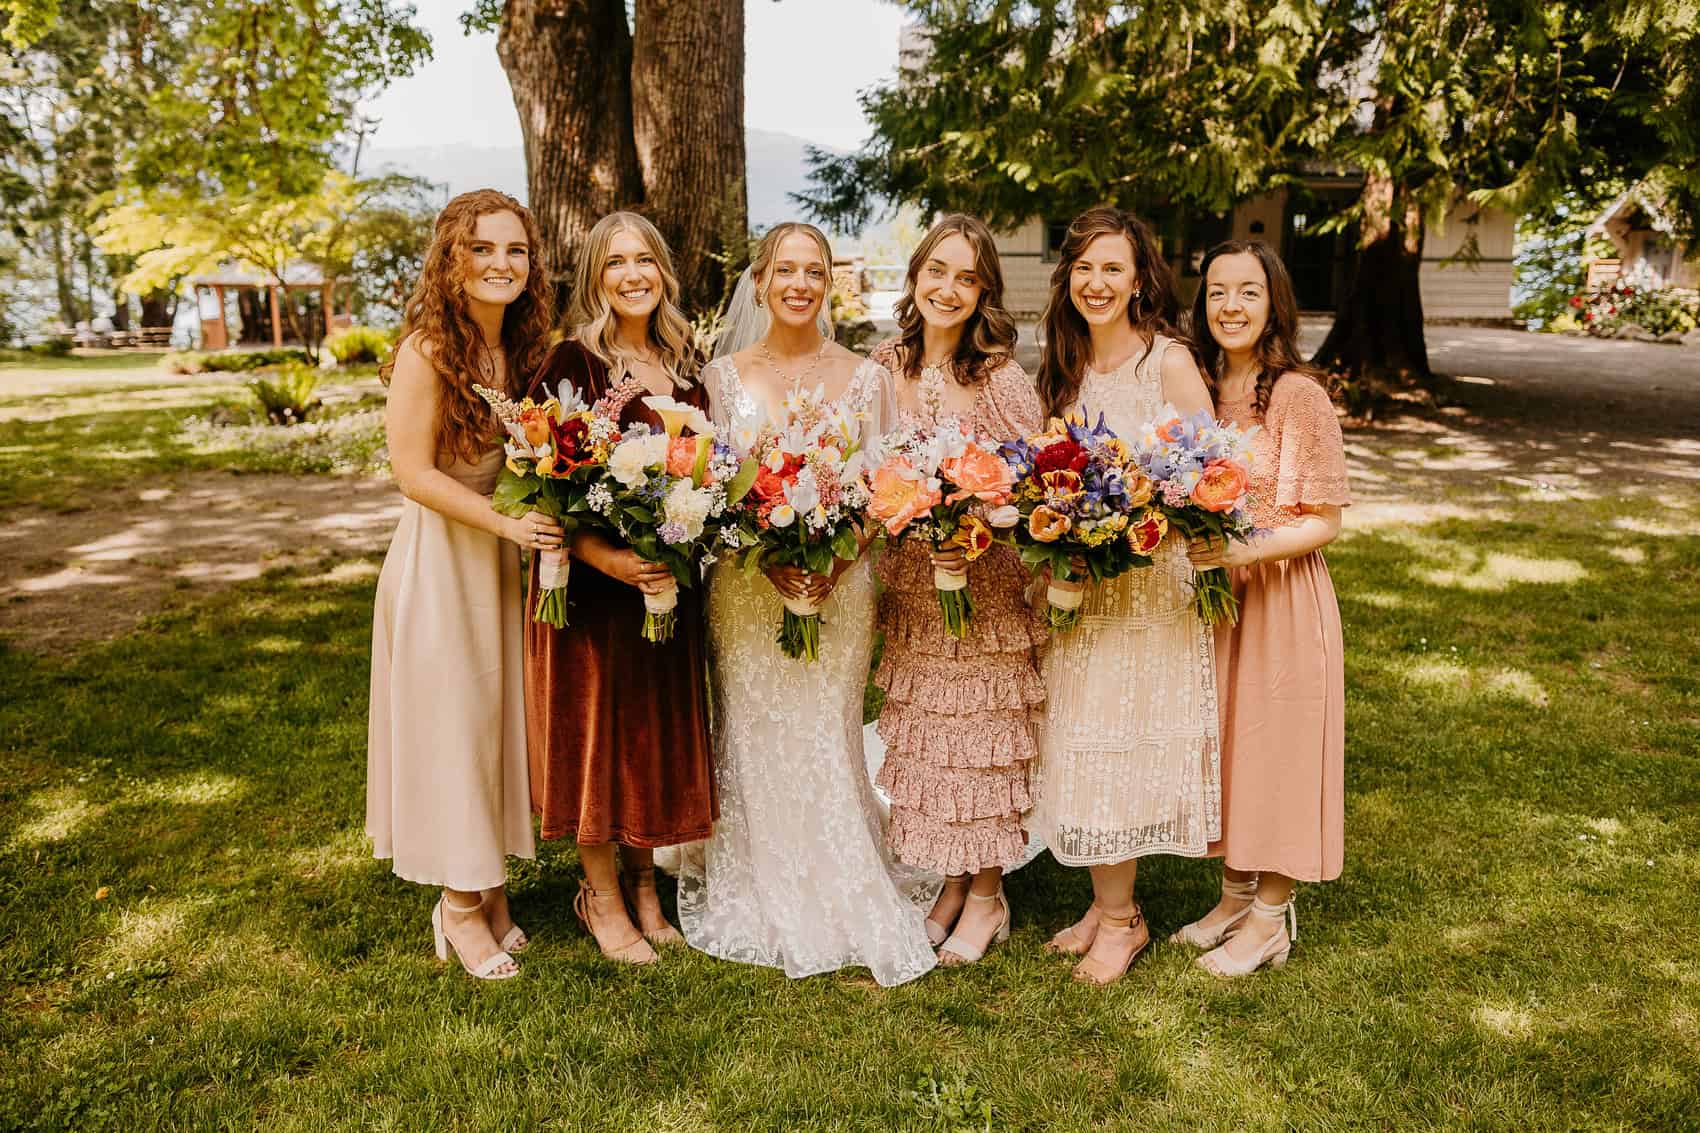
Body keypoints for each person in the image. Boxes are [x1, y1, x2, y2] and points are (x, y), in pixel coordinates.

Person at [677, 222, 939, 987]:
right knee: (753, 723)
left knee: (825, 726)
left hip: (841, 582)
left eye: (814, 270)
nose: (799, 283)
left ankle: (841, 871)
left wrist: (835, 563)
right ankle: (757, 875)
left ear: (831, 283)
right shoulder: (723, 379)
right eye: (784, 270)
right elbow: (713, 489)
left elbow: (885, 491)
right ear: (759, 282)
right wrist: (766, 561)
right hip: (746, 588)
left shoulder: (866, 379)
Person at [367, 189, 561, 981]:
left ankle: (491, 885)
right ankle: (456, 905)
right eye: (482, 249)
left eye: (514, 250)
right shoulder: (427, 350)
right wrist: (507, 525)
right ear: (454, 257)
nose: (500, 264)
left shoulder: (522, 348)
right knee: (454, 724)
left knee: (496, 722)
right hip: (443, 561)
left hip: (498, 557)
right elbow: (411, 472)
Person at [1031, 206, 1221, 985]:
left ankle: (1121, 919)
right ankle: (1106, 903)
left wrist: (1139, 519)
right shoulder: (1066, 364)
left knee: (1117, 740)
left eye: (1113, 268)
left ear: (1140, 277)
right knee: (1078, 737)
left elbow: (1211, 476)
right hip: (1085, 586)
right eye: (1083, 268)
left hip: (1150, 590)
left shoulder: (1167, 362)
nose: (1096, 282)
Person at [523, 211, 718, 965]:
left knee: (645, 737)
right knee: (598, 738)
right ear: (596, 277)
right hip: (597, 594)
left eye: (645, 261)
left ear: (664, 273)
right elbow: (542, 485)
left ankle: (645, 885)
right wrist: (612, 562)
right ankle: (599, 893)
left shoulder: (685, 365)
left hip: (664, 586)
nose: (632, 275)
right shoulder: (572, 364)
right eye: (616, 263)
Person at [867, 214, 1045, 966]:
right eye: (937, 271)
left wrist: (976, 518)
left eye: (966, 278)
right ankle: (951, 880)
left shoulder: (999, 378)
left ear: (984, 294)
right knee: (936, 739)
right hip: (910, 586)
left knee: (981, 743)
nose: (948, 289)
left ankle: (987, 894)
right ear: (915, 275)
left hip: (984, 585)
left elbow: (1035, 489)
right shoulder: (881, 365)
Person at [1174, 240, 1350, 976]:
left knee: (1276, 752)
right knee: (1227, 747)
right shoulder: (1201, 390)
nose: (1231, 307)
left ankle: (1273, 916)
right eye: (1218, 292)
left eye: (1248, 292)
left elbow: (1326, 518)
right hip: (1220, 602)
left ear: (1274, 301)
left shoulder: (1296, 395)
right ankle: (1234, 894)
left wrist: (1248, 550)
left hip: (1280, 595)